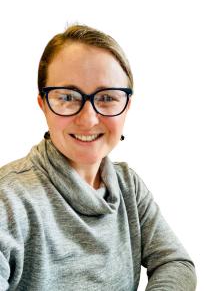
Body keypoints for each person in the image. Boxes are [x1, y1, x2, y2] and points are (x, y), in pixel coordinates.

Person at [0, 24, 196, 291]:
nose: (88, 119)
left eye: (106, 98)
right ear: (43, 105)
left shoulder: (129, 186)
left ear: (126, 106)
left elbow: (175, 262)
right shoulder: (8, 200)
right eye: (68, 97)